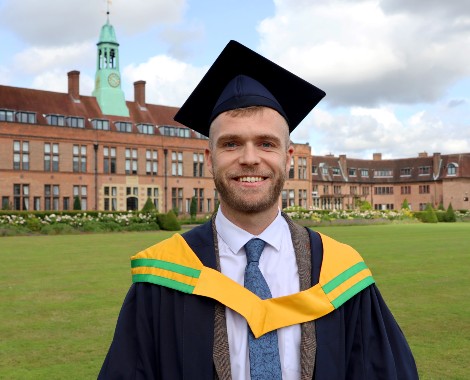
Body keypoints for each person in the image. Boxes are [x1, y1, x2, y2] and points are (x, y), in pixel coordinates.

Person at [98, 40, 418, 380]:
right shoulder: (163, 279)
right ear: (209, 160)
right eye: (231, 143)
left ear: (288, 158)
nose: (250, 158)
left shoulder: (341, 273)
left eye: (266, 143)